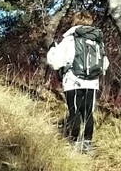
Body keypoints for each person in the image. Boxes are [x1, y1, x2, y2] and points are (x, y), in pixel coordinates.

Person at [46, 12, 108, 152]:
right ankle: (87, 143)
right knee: (88, 113)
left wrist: (51, 50)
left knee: (74, 112)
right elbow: (105, 64)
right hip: (92, 83)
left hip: (72, 81)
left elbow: (55, 62)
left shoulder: (70, 39)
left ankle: (73, 143)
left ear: (74, 22)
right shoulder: (97, 40)